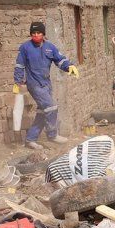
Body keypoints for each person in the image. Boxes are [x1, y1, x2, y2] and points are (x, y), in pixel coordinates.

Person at [13, 21, 78, 150]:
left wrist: (69, 66)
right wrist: (18, 81)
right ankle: (52, 135)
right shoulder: (25, 48)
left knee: (43, 112)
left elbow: (60, 60)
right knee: (51, 107)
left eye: (38, 33)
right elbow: (19, 65)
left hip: (46, 84)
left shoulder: (50, 47)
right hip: (34, 84)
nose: (36, 35)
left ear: (43, 34)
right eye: (33, 33)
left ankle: (30, 139)